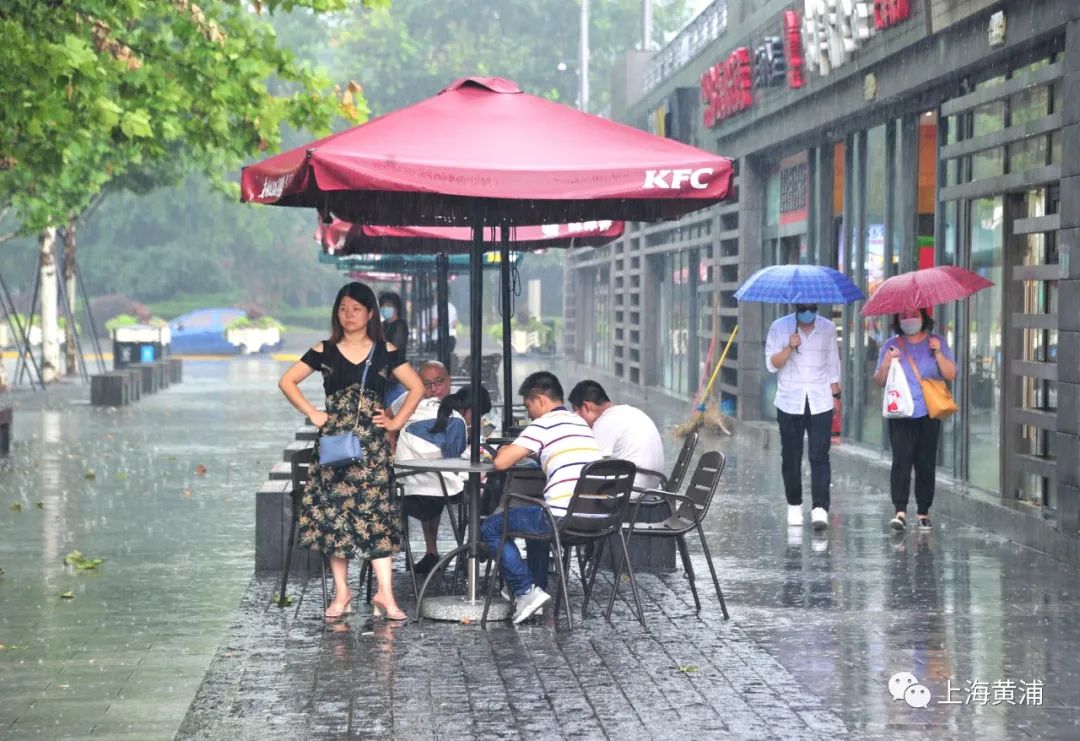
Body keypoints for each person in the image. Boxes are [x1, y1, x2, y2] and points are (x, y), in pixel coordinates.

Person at [278, 282, 424, 621]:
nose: (349, 315)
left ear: (370, 313)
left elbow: (416, 387)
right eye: (343, 309)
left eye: (356, 309)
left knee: (377, 515)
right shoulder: (324, 349)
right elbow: (287, 381)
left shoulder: (385, 350)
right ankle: (342, 592)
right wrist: (313, 413)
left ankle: (385, 593)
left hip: (372, 446)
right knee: (335, 518)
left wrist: (395, 422)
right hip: (334, 446)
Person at [482, 371, 602, 624]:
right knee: (535, 530)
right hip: (595, 517)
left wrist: (505, 449)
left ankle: (525, 590)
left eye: (528, 407)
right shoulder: (578, 422)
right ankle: (534, 592)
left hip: (561, 518)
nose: (529, 415)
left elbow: (501, 463)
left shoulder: (543, 424)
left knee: (491, 527)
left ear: (540, 400)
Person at [872, 307, 956, 531]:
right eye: (904, 315)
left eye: (914, 315)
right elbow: (879, 380)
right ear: (897, 319)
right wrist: (888, 361)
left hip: (929, 412)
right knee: (901, 461)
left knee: (926, 463)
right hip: (901, 412)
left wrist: (938, 353)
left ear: (924, 317)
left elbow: (951, 374)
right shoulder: (891, 344)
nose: (909, 319)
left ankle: (923, 512)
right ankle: (899, 511)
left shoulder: (936, 341)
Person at [396, 385, 492, 573]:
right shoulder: (457, 421)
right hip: (429, 487)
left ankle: (476, 538)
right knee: (485, 481)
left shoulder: (431, 406)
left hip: (405, 484)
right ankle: (480, 538)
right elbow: (453, 460)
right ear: (471, 411)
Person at [765, 302, 842, 531]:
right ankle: (794, 505)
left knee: (820, 455)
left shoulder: (828, 328)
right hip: (790, 401)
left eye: (812, 307)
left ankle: (820, 508)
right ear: (796, 307)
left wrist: (836, 396)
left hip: (820, 401)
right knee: (791, 456)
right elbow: (771, 364)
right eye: (803, 307)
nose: (808, 311)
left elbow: (833, 366)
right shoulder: (779, 327)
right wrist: (789, 347)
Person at [567, 380, 664, 490]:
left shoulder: (604, 423)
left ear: (586, 407)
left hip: (630, 494)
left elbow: (588, 467)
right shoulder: (632, 412)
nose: (577, 417)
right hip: (652, 491)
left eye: (576, 411)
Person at [379, 291, 409, 406]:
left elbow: (396, 349)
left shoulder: (400, 325)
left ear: (396, 308)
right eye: (383, 306)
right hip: (382, 374)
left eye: (389, 306)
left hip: (394, 373)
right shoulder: (383, 325)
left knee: (393, 405)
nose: (385, 309)